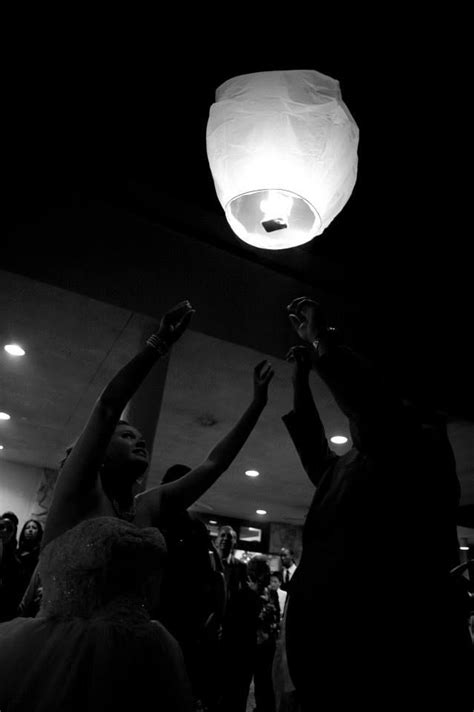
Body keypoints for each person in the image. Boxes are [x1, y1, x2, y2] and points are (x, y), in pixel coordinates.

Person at [0, 300, 274, 711]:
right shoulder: (77, 495)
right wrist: (159, 342)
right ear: (99, 452)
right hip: (63, 657)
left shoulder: (147, 507)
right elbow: (108, 407)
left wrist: (257, 405)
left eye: (139, 436)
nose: (139, 439)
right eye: (126, 436)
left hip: (140, 656)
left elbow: (214, 464)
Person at [282, 296, 473, 711]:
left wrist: (323, 342)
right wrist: (300, 381)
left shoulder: (419, 447)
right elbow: (317, 454)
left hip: (390, 669)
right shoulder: (351, 465)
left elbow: (375, 410)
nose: (354, 414)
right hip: (328, 670)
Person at [156, 464, 226, 711]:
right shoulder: (151, 519)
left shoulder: (195, 529)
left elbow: (211, 578)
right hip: (157, 618)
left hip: (188, 625)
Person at [0, 516, 23, 622]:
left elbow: (12, 597)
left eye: (9, 529)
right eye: (1, 526)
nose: (4, 530)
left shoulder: (15, 563)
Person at [17, 519, 43, 596]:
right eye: (27, 527)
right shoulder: (17, 552)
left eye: (34, 528)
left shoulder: (41, 555)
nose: (30, 530)